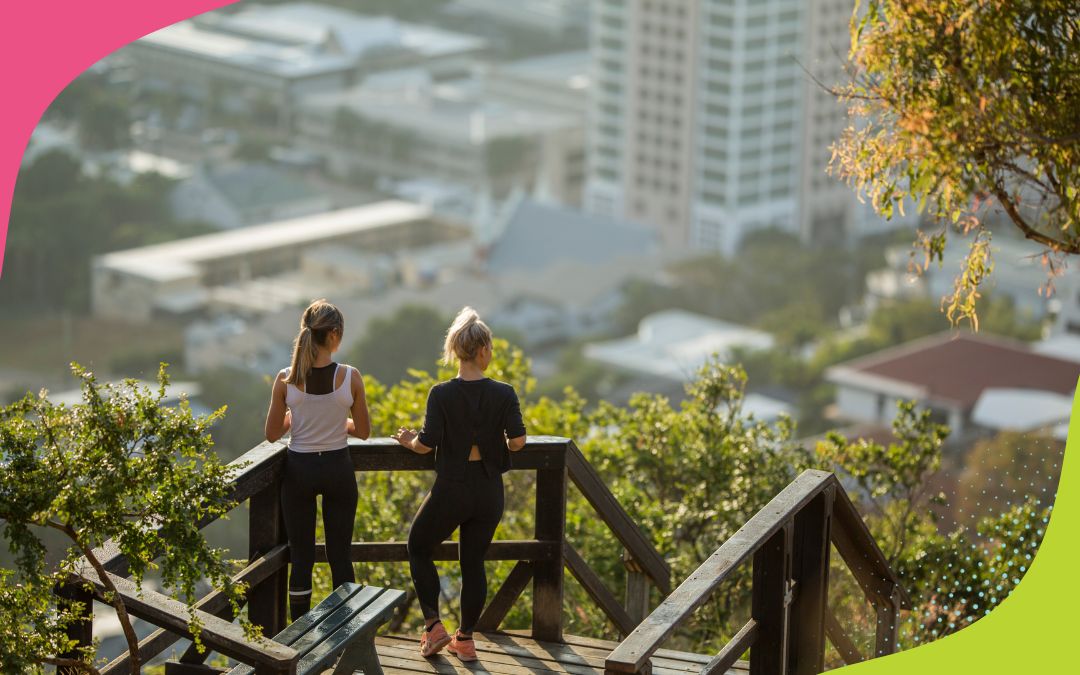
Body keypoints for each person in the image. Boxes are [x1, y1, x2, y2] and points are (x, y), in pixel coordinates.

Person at [393, 307, 526, 661]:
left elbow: (426, 443)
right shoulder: (504, 393)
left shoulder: (441, 393)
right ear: (482, 350)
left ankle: (434, 626)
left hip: (453, 486)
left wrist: (407, 442)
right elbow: (518, 442)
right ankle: (464, 639)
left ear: (458, 351)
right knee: (473, 563)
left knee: (418, 546)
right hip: (488, 489)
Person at [264, 298, 370, 621]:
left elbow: (271, 434)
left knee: (302, 557)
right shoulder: (350, 377)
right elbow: (364, 431)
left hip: (300, 471)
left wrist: (296, 419)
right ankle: (345, 630)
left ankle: (299, 633)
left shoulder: (286, 379)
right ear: (335, 335)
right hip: (337, 468)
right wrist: (340, 423)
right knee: (340, 555)